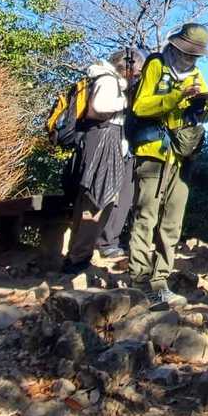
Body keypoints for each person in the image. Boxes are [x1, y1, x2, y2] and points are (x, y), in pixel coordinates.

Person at [124, 23, 208, 308]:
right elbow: (141, 106)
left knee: (173, 221)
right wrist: (177, 96)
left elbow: (205, 114)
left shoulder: (196, 75)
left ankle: (160, 279)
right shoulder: (156, 65)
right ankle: (139, 280)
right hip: (153, 151)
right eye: (187, 53)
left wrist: (202, 106)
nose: (190, 59)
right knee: (146, 215)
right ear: (175, 46)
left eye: (195, 55)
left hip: (182, 155)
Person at [61, 47, 140, 285]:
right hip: (104, 142)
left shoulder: (105, 78)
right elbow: (99, 107)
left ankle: (78, 256)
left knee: (94, 198)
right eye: (136, 70)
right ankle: (78, 259)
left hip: (103, 142)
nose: (137, 74)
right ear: (125, 67)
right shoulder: (107, 80)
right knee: (95, 199)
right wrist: (126, 101)